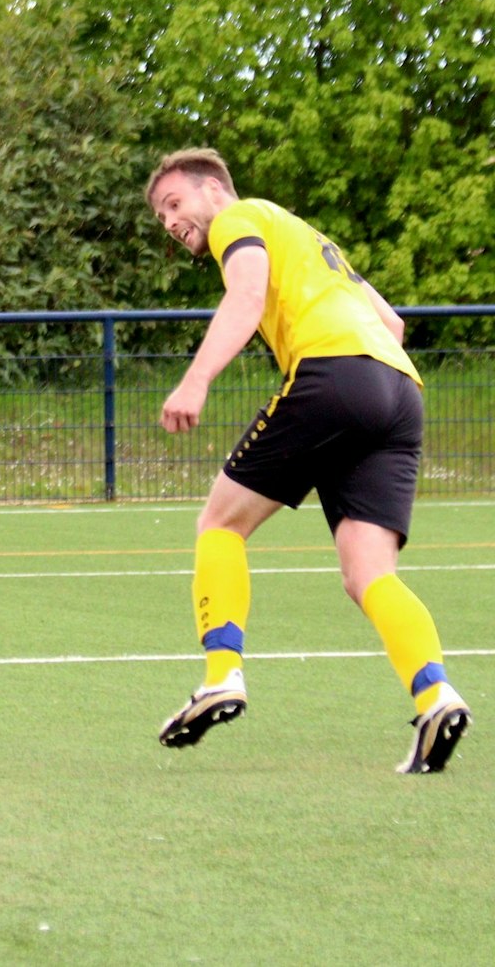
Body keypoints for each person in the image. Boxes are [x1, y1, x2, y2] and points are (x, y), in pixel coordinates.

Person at [146, 147, 470, 773]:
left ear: (214, 191)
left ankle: (221, 675)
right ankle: (436, 696)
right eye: (161, 214)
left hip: (334, 376)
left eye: (174, 203)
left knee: (219, 524)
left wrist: (196, 379)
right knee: (368, 573)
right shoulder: (310, 240)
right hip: (400, 393)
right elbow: (394, 325)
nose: (169, 221)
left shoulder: (239, 220)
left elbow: (245, 297)